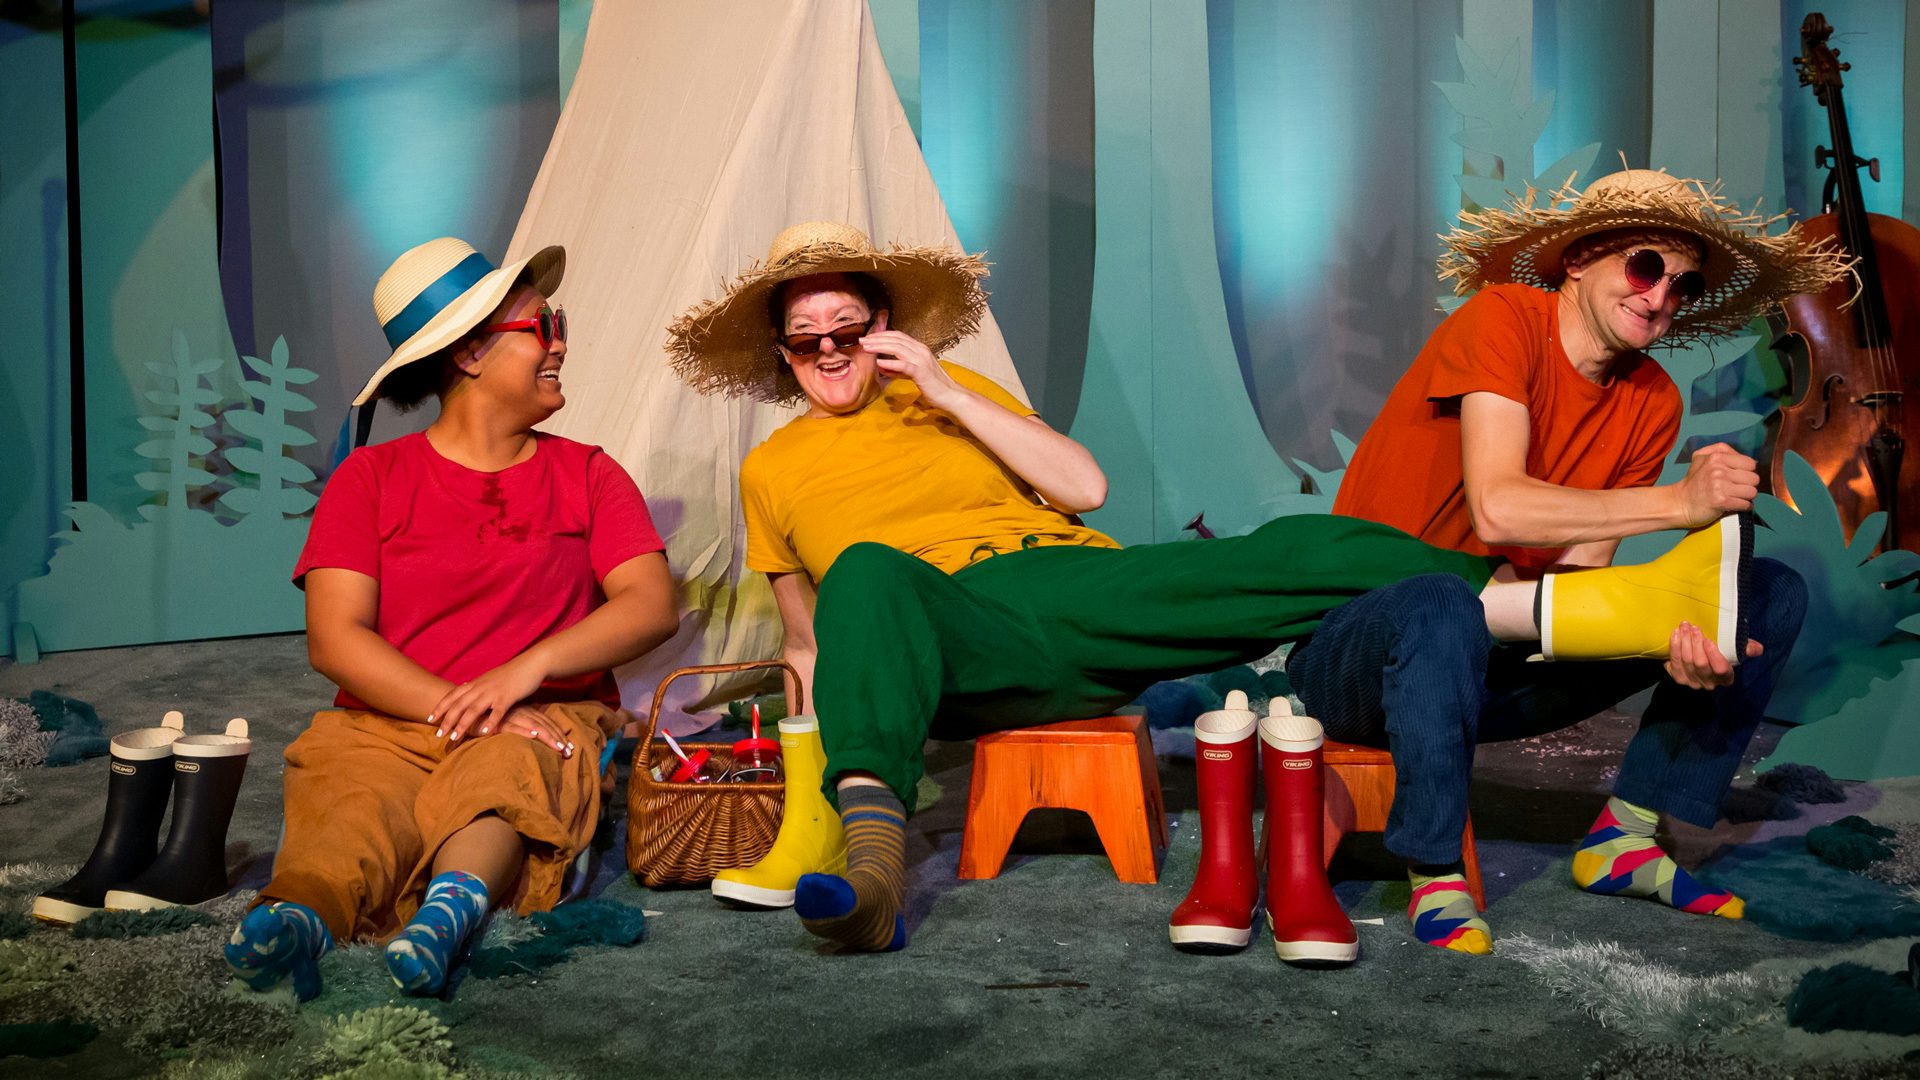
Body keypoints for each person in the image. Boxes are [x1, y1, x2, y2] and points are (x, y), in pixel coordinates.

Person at [665, 221, 1756, 960]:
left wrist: (949, 391)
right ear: (781, 355)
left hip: (1074, 592)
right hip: (945, 639)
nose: (831, 353)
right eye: (806, 342)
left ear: (882, 328)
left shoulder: (954, 397)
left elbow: (1082, 485)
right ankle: (871, 874)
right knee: (865, 571)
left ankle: (1547, 611)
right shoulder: (773, 472)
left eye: (849, 331)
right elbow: (813, 642)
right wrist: (805, 783)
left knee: (1294, 545)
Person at [1291, 169, 1851, 955]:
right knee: (1439, 600)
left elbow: (1577, 583)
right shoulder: (1501, 321)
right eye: (1645, 266)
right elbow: (1500, 507)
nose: (1660, 297)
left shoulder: (1652, 399)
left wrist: (1676, 636)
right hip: (1362, 649)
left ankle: (1629, 835)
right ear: (1580, 259)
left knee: (1763, 594)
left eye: (1682, 285)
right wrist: (1679, 505)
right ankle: (1432, 868)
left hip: (1498, 653)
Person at [223, 237, 677, 1000]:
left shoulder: (588, 473)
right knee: (353, 799)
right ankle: (301, 913)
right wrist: (458, 704)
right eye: (542, 326)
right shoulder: (370, 478)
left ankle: (447, 913)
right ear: (469, 354)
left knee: (511, 774)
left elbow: (650, 603)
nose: (560, 342)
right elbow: (336, 639)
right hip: (390, 719)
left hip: (545, 714)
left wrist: (522, 674)